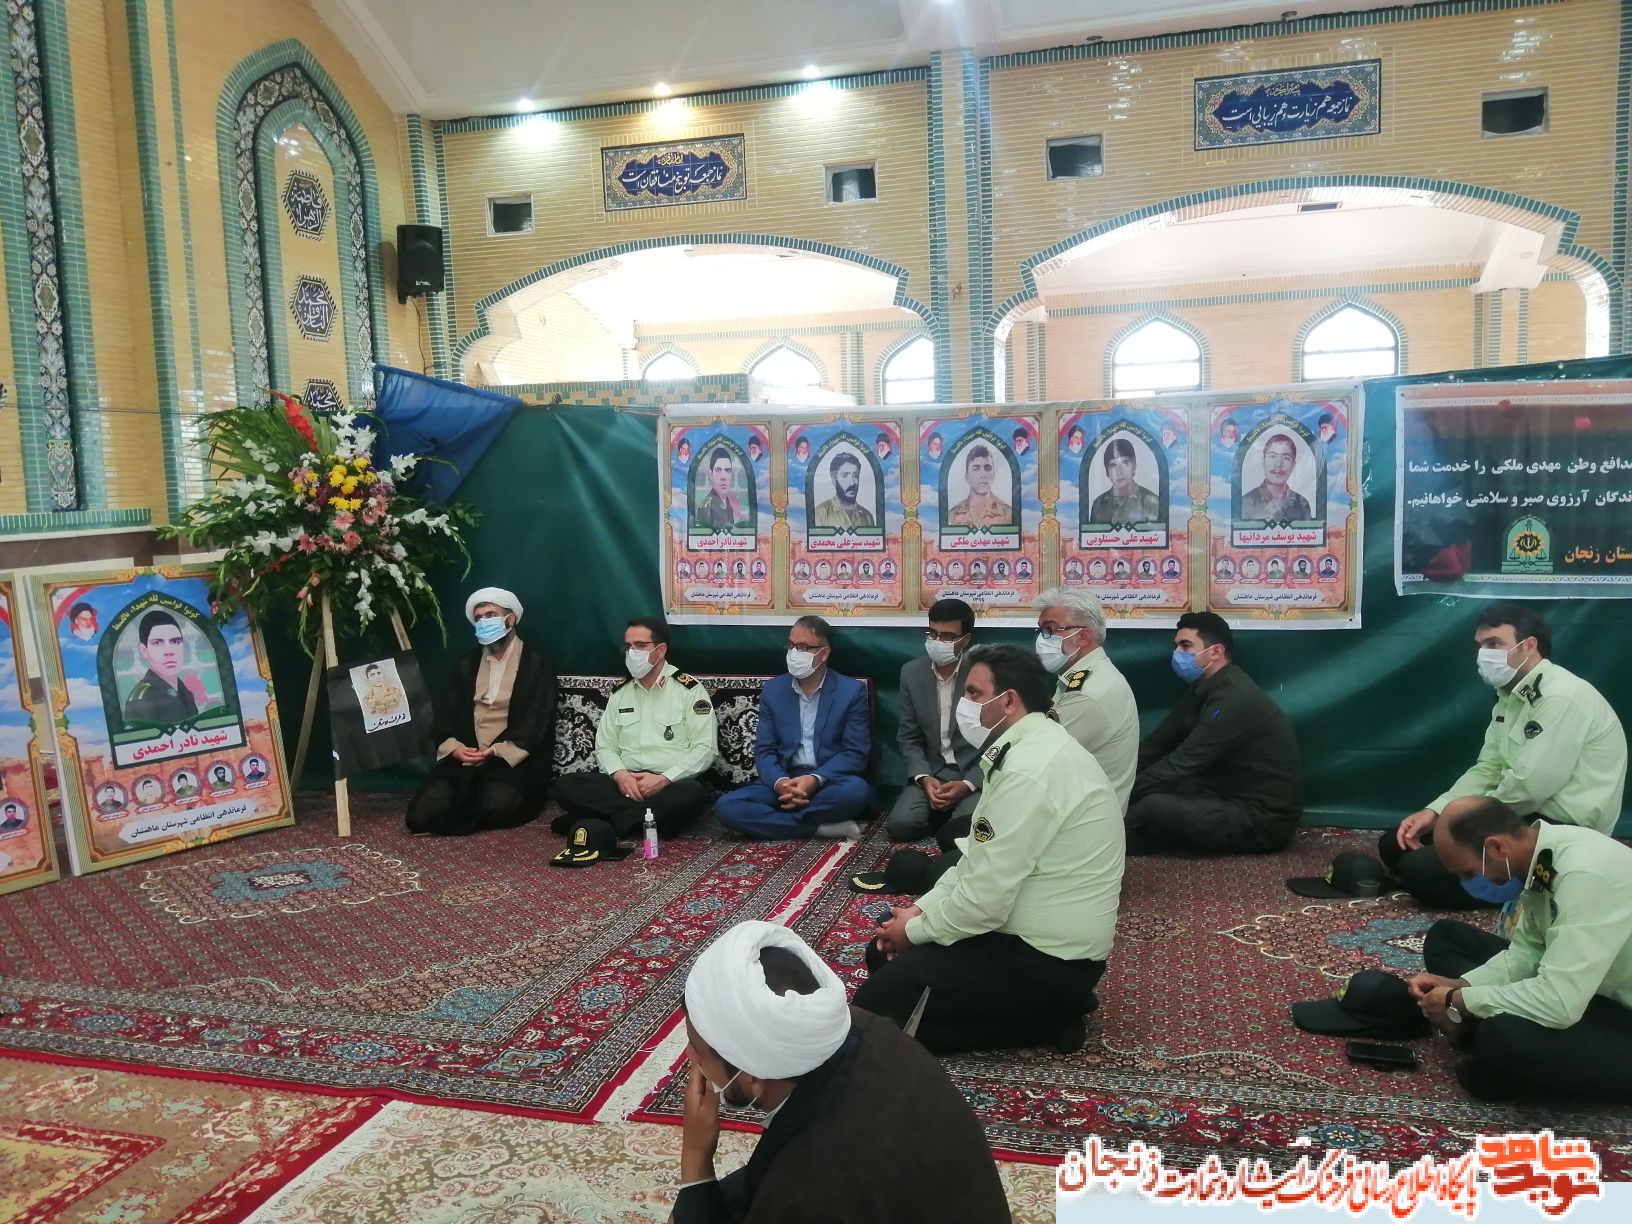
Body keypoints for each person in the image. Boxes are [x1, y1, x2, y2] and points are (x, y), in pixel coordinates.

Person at [855, 644, 1125, 1056]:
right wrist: (918, 912)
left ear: (1009, 701)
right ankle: (1040, 1009)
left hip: (1048, 959)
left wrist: (914, 930)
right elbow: (975, 862)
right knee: (881, 952)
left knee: (878, 1014)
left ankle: (1046, 1020)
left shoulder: (1029, 770)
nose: (963, 705)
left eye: (974, 694)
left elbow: (986, 902)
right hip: (1027, 938)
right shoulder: (1028, 747)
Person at [675, 922, 1009, 1223]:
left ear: (752, 1076)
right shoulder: (867, 1029)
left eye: (699, 1052)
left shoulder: (806, 1192)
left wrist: (695, 1157)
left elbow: (801, 1188)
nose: (690, 1057)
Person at [1379, 604, 1626, 909]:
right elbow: (1489, 767)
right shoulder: (1509, 697)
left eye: (1494, 643)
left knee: (1419, 871)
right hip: (1516, 812)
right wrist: (1437, 811)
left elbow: (1529, 789)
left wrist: (1456, 822)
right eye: (1480, 646)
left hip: (1557, 826)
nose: (1484, 654)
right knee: (1395, 844)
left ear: (1529, 646)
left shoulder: (1561, 697)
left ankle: (1531, 888)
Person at [1410, 796, 1632, 1103]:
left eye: (1468, 873)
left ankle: (1490, 1046)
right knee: (1447, 937)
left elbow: (1559, 1003)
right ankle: (1487, 1041)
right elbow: (1528, 953)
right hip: (1585, 989)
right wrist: (1461, 985)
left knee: (1502, 1036)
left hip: (1617, 1011)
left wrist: (1460, 1001)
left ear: (1496, 848)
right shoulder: (1544, 857)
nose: (1466, 884)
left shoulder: (1584, 875)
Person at [1126, 612, 1301, 854]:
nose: (1177, 653)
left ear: (1216, 652)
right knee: (1151, 796)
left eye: (1186, 646)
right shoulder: (1203, 687)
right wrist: (1115, 780)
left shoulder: (1235, 697)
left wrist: (1122, 794)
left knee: (1151, 806)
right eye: (1176, 646)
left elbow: (1184, 761)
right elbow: (1158, 743)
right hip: (1220, 794)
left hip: (1262, 820)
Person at [550, 617, 717, 862]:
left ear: (660, 650)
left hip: (669, 785)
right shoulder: (621, 693)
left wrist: (663, 779)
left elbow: (705, 749)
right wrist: (621, 776)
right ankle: (648, 821)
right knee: (566, 786)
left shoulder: (689, 690)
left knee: (692, 795)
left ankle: (602, 820)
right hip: (624, 786)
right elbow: (605, 746)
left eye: (640, 645)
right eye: (628, 646)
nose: (632, 652)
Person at [405, 587, 558, 837]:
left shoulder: (537, 663)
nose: (484, 622)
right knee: (420, 815)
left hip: (512, 759)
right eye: (479, 618)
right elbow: (445, 714)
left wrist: (495, 751)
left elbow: (537, 720)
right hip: (467, 755)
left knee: (496, 805)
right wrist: (455, 749)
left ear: (510, 619)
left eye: (491, 615)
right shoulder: (466, 664)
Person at [714, 617, 872, 839]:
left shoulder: (850, 692)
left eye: (803, 647)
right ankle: (818, 828)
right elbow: (765, 750)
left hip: (827, 782)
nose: (794, 653)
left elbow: (855, 753)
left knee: (856, 792)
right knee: (727, 806)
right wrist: (781, 784)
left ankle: (776, 821)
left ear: (824, 653)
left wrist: (815, 779)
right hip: (784, 781)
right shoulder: (774, 690)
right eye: (791, 645)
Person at [1032, 588, 1138, 813]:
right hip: (1074, 805)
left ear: (1083, 636)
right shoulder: (1083, 676)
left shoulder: (1088, 692)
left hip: (1080, 819)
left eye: (1050, 629)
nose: (1042, 639)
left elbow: (1037, 759)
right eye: (1040, 630)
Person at [888, 599, 983, 842]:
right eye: (933, 634)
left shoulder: (983, 674)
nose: (938, 641)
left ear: (965, 639)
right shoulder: (912, 673)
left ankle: (953, 815)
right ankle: (940, 810)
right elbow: (908, 737)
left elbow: (998, 739)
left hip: (973, 772)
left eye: (948, 636)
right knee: (900, 826)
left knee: (961, 833)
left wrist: (968, 784)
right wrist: (923, 777)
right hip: (933, 771)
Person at [123, 611, 199, 726]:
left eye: (175, 641)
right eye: (157, 643)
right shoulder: (142, 700)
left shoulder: (183, 691)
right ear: (144, 650)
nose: (169, 651)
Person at [1088, 437, 1162, 524]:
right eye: (1113, 465)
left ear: (1134, 466)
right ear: (1107, 471)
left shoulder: (1151, 501)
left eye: (1125, 463)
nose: (1119, 471)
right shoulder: (1098, 504)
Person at [1241, 433, 1313, 521]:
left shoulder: (1302, 504)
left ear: (1293, 465)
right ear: (1263, 461)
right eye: (1272, 456)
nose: (1278, 464)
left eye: (1286, 458)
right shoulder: (1246, 503)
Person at [948, 445, 1013, 527]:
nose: (983, 475)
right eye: (976, 469)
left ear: (994, 475)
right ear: (967, 476)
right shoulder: (952, 515)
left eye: (988, 468)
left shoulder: (1008, 514)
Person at [812, 452, 874, 529]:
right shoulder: (820, 514)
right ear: (834, 480)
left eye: (855, 476)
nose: (852, 483)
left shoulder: (868, 516)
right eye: (845, 476)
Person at [695, 449, 746, 530]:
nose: (723, 477)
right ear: (711, 474)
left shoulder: (728, 504)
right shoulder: (705, 508)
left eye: (727, 470)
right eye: (718, 470)